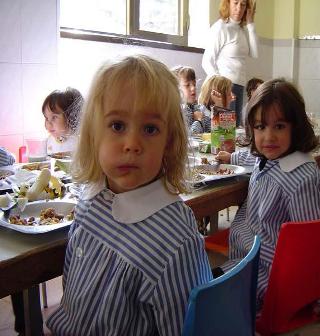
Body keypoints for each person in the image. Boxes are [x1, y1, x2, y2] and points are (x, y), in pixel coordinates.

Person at [46, 55, 212, 335]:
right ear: (93, 133)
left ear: (169, 144)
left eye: (150, 129)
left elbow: (186, 328)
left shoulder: (175, 240)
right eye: (117, 126)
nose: (132, 144)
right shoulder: (90, 199)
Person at [215, 78, 320, 332]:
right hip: (246, 261)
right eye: (260, 127)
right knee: (192, 287)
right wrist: (230, 156)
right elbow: (251, 157)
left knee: (196, 301)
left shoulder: (301, 179)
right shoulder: (272, 158)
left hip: (267, 279)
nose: (268, 137)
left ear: (295, 128)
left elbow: (317, 244)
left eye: (279, 126)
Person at [202, 0, 258, 127]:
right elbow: (206, 61)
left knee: (235, 129)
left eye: (243, 4)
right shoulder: (220, 27)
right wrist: (221, 87)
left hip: (240, 85)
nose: (239, 8)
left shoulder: (242, 30)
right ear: (228, 4)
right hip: (226, 87)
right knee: (226, 130)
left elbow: (255, 53)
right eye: (235, 3)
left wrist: (250, 24)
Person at [42, 87, 84, 154]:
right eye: (46, 118)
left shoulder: (81, 142)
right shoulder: (50, 141)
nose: (48, 124)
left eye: (54, 117)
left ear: (72, 117)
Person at [171, 65, 211, 134]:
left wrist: (219, 105)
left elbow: (212, 130)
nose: (193, 88)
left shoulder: (198, 108)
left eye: (194, 84)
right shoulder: (178, 112)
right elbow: (188, 138)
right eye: (187, 85)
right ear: (175, 89)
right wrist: (198, 120)